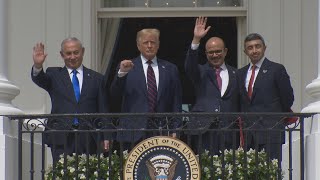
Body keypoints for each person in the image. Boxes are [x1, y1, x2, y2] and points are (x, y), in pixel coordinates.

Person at [31, 37, 111, 163]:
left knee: (89, 174)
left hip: (89, 136)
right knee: (62, 174)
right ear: (62, 55)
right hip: (61, 136)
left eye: (76, 52)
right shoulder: (54, 75)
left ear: (82, 52)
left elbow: (103, 109)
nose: (72, 57)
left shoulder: (97, 79)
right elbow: (40, 79)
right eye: (68, 53)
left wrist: (106, 136)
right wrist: (38, 65)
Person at [110, 28, 182, 147]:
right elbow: (114, 95)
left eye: (153, 42)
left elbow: (176, 102)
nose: (149, 46)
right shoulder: (127, 67)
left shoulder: (170, 69)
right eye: (145, 43)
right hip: (133, 133)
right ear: (138, 46)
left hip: (162, 132)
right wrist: (121, 74)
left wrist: (176, 130)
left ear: (158, 45)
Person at [185, 17, 239, 154]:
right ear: (206, 54)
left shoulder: (237, 73)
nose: (215, 55)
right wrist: (196, 40)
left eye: (218, 51)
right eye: (211, 52)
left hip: (230, 132)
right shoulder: (200, 72)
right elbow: (189, 66)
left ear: (225, 51)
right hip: (204, 132)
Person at [237, 33, 294, 160]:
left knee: (271, 174)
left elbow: (288, 98)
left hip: (271, 131)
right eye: (250, 48)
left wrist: (274, 119)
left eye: (258, 46)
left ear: (264, 48)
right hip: (248, 134)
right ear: (245, 51)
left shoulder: (276, 69)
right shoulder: (240, 73)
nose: (254, 50)